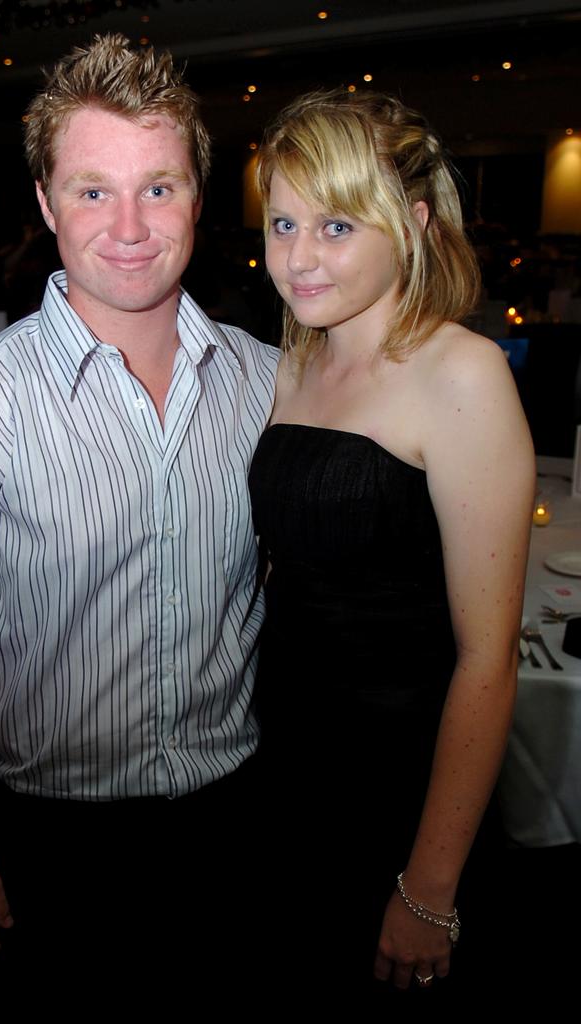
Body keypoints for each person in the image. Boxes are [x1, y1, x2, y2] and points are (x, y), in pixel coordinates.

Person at [0, 33, 278, 979]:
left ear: (198, 198)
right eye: (94, 190)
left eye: (159, 187)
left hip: (238, 816)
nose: (129, 225)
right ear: (48, 203)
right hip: (44, 840)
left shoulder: (271, 386)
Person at [249, 90, 534, 999]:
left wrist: (430, 887)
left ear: (410, 224)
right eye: (283, 222)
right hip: (284, 762)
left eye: (336, 225)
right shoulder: (296, 357)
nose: (298, 257)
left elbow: (489, 663)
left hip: (402, 783)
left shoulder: (463, 371)